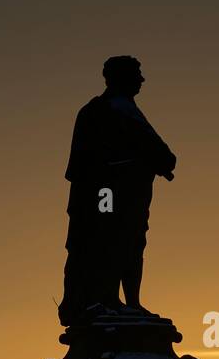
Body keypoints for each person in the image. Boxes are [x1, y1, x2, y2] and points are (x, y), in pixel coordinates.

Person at [59, 55, 176, 325]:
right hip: (114, 194)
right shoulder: (118, 109)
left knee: (121, 242)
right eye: (137, 74)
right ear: (121, 78)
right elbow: (162, 153)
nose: (142, 80)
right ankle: (111, 300)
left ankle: (120, 301)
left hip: (112, 194)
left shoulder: (98, 110)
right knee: (116, 241)